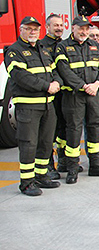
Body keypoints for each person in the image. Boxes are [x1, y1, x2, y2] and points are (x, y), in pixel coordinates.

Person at [4, 16, 62, 195]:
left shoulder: (43, 50)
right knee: (28, 144)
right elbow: (21, 77)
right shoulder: (14, 51)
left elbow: (55, 72)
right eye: (28, 29)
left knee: (45, 143)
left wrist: (57, 83)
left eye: (35, 29)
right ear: (21, 30)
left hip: (47, 105)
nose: (32, 32)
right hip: (28, 107)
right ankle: (27, 182)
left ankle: (42, 176)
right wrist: (47, 86)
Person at [55, 16, 99, 183]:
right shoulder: (62, 47)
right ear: (73, 28)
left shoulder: (94, 46)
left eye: (87, 29)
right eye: (81, 28)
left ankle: (96, 165)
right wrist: (83, 86)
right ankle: (72, 169)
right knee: (73, 131)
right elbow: (63, 71)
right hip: (74, 96)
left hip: (94, 94)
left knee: (95, 128)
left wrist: (97, 84)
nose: (84, 32)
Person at [39, 14, 65, 179]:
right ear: (47, 27)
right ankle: (49, 165)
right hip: (50, 95)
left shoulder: (65, 44)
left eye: (61, 25)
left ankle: (63, 160)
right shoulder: (41, 46)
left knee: (64, 129)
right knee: (48, 132)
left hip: (66, 94)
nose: (59, 28)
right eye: (55, 25)